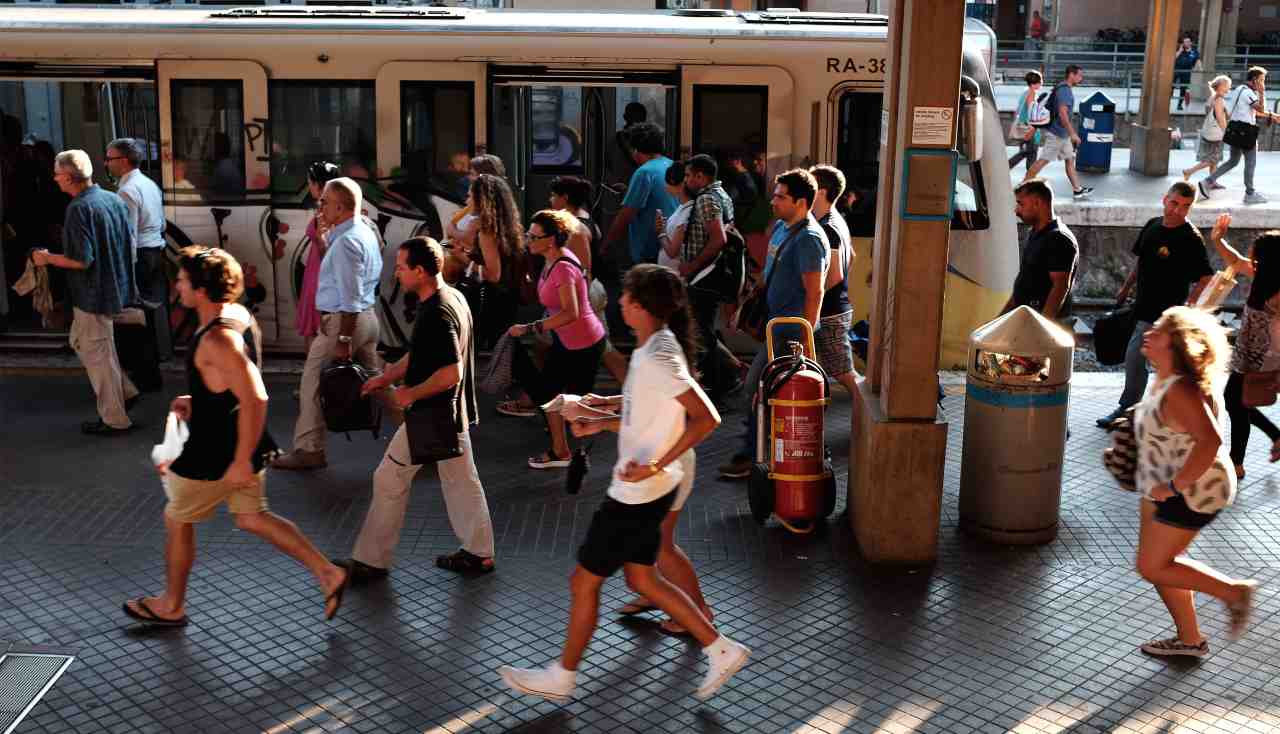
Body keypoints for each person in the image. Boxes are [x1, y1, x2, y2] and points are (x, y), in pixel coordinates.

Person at [499, 264, 750, 703]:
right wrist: (598, 417)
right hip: (647, 489)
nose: (618, 302)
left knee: (584, 581)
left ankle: (562, 677)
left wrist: (654, 463)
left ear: (641, 307)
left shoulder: (656, 356)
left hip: (637, 494)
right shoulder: (657, 346)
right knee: (641, 579)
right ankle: (720, 648)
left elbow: (706, 416)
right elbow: (646, 408)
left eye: (626, 297)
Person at [122, 246, 350, 627]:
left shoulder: (217, 340)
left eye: (181, 280)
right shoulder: (237, 316)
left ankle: (171, 605)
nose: (176, 286)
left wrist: (241, 460)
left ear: (200, 289)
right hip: (238, 440)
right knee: (251, 517)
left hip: (218, 453)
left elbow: (256, 394)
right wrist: (198, 399)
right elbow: (231, 384)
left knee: (177, 518)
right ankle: (329, 573)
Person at [340, 236, 496, 580]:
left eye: (401, 267)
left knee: (389, 477)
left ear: (421, 271)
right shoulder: (450, 297)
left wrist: (410, 394)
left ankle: (371, 561)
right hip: (453, 416)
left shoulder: (437, 313)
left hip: (433, 416)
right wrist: (388, 376)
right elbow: (425, 354)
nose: (396, 274)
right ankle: (479, 553)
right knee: (461, 482)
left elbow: (450, 371)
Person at [1132, 306, 1259, 658]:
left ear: (1176, 344)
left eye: (1158, 331)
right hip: (1163, 483)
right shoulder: (1167, 379)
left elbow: (1211, 441)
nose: (1149, 333)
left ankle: (1234, 592)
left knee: (1152, 565)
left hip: (1194, 489)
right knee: (1165, 565)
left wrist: (1172, 487)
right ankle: (1190, 640)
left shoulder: (1181, 389)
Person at [719, 169, 829, 480]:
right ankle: (762, 451)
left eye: (781, 196)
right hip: (773, 328)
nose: (773, 201)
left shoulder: (809, 239)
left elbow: (815, 291)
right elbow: (770, 273)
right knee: (764, 391)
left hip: (791, 334)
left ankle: (752, 457)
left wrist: (805, 338)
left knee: (756, 387)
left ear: (801, 201)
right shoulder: (782, 228)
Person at [274, 178, 383, 470]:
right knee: (380, 383)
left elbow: (349, 295)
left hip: (344, 323)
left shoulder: (347, 241)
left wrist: (343, 340)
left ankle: (309, 449)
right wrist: (323, 242)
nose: (319, 206)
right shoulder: (362, 231)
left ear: (340, 206)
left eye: (324, 201)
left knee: (311, 381)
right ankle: (425, 438)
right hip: (367, 319)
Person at [31, 150, 139, 435]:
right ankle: (125, 392)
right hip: (112, 287)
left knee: (97, 353)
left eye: (56, 174)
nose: (54, 179)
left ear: (68, 177)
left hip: (92, 294)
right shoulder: (112, 199)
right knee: (86, 342)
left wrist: (47, 258)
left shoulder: (78, 209)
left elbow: (82, 260)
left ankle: (115, 419)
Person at [1097, 182, 1213, 429]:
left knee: (1136, 356)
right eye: (1175, 203)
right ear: (1164, 200)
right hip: (1142, 305)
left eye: (1186, 207)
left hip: (1165, 314)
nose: (1179, 211)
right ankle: (1157, 411)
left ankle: (1129, 408)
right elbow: (1141, 260)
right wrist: (1126, 287)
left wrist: (1187, 310)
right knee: (1155, 362)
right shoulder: (1152, 226)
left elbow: (1205, 278)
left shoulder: (1190, 238)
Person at [500, 211, 607, 469]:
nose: (529, 240)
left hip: (583, 344)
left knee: (571, 403)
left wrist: (530, 328)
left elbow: (571, 312)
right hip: (572, 342)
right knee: (556, 397)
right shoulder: (551, 260)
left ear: (551, 240)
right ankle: (563, 450)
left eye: (534, 236)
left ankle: (580, 447)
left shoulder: (561, 267)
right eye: (529, 234)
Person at [1207, 214, 1280, 479]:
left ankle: (1236, 464)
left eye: (1256, 252)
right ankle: (1274, 437)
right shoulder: (1262, 273)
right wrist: (1218, 239)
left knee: (1236, 402)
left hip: (1263, 358)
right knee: (1239, 402)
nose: (1252, 255)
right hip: (1246, 353)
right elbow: (1235, 261)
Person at [678, 154, 741, 402]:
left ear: (700, 176)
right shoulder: (722, 195)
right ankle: (726, 379)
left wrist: (692, 265)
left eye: (689, 175)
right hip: (711, 276)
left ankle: (723, 384)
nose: (686, 181)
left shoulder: (706, 200)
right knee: (703, 331)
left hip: (704, 277)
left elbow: (718, 239)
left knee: (700, 334)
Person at [106, 138, 171, 377]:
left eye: (110, 158)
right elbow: (162, 223)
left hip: (141, 257)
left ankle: (144, 372)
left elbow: (128, 234)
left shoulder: (126, 190)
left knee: (136, 316)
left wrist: (125, 269)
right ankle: (152, 368)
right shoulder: (149, 184)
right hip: (155, 251)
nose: (106, 163)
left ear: (123, 161)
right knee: (151, 314)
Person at [461, 173, 526, 351]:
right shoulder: (506, 225)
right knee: (506, 350)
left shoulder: (486, 232)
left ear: (481, 199)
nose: (466, 201)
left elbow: (493, 274)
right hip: (506, 299)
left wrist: (465, 259)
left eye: (469, 196)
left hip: (493, 302)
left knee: (504, 351)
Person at [1198, 67, 1280, 205]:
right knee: (1250, 163)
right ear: (1254, 80)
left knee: (1233, 161)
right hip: (1246, 133)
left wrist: (1272, 115)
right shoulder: (1248, 92)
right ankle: (1250, 193)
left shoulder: (1239, 90)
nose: (1263, 83)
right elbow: (1260, 108)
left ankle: (1208, 181)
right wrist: (1262, 92)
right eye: (1262, 80)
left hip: (1235, 131)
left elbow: (1255, 111)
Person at [602, 122, 678, 266]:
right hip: (670, 244)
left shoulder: (644, 172)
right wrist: (628, 191)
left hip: (650, 250)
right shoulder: (670, 164)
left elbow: (625, 215)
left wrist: (606, 244)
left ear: (635, 150)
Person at [810, 164, 857, 395]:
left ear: (821, 191)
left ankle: (863, 423)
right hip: (833, 308)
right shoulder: (836, 220)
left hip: (830, 311)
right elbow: (852, 258)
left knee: (843, 373)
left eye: (810, 182)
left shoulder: (827, 227)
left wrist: (812, 295)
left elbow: (836, 274)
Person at [1003, 179, 1078, 322]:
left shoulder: (1059, 239)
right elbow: (1024, 282)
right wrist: (1000, 319)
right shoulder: (1037, 233)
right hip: (1028, 321)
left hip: (1041, 327)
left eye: (1021, 204)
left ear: (1037, 203)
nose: (1016, 210)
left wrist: (1042, 327)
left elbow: (1060, 287)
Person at [1024, 65, 1093, 199]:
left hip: (1062, 133)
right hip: (1057, 133)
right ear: (1071, 75)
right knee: (1043, 161)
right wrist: (1072, 133)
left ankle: (1077, 189)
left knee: (1069, 159)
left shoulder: (1061, 87)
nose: (1081, 78)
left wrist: (1069, 134)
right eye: (1079, 75)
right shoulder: (1065, 91)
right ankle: (1023, 187)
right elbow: (1062, 114)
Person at [296, 161, 340, 355]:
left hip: (319, 276)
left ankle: (312, 381)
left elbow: (325, 246)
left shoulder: (324, 212)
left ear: (317, 185)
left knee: (314, 337)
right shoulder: (337, 208)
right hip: (320, 274)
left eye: (310, 182)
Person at [1183, 76, 1230, 183]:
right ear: (1221, 86)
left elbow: (1209, 113)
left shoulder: (1212, 97)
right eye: (1227, 86)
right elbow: (1219, 118)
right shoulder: (1219, 100)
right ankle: (1189, 171)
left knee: (1214, 160)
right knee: (1213, 159)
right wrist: (1227, 132)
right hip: (1216, 133)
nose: (1229, 89)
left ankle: (1212, 181)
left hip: (1208, 131)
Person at [1008, 71, 1043, 175]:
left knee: (1029, 154)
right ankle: (1005, 168)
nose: (1042, 83)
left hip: (1023, 128)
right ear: (1034, 83)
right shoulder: (1032, 93)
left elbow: (1018, 111)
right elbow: (1031, 113)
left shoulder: (1025, 92)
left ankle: (1030, 178)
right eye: (1040, 81)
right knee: (1028, 152)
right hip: (1030, 129)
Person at [1174, 37, 1200, 111]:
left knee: (1183, 89)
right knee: (1170, 87)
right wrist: (1180, 50)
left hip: (1187, 72)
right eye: (1185, 42)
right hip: (1176, 70)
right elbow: (1174, 58)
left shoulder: (1194, 51)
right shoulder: (1179, 49)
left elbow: (1198, 61)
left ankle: (1179, 105)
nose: (1187, 43)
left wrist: (1198, 69)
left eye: (1188, 42)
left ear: (1191, 43)